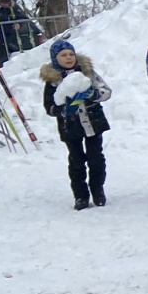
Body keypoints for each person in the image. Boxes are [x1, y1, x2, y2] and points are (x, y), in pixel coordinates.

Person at [40, 39, 110, 209]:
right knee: (76, 160)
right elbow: (49, 105)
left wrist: (93, 95)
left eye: (71, 54)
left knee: (96, 158)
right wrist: (62, 110)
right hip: (70, 125)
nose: (69, 58)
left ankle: (97, 189)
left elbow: (106, 91)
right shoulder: (53, 80)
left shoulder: (87, 73)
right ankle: (80, 195)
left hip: (93, 121)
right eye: (63, 55)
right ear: (55, 59)